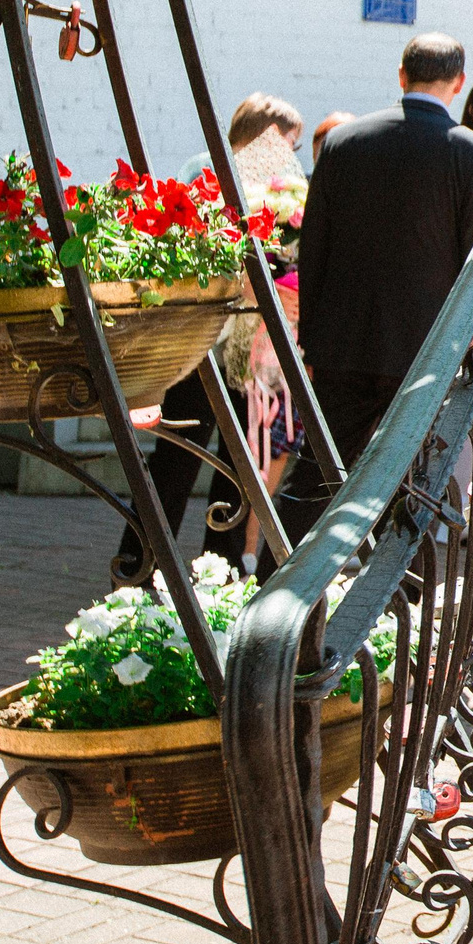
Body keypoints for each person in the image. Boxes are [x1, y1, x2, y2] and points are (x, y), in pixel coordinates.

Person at [276, 35, 473, 551]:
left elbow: (314, 250)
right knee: (414, 479)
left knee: (314, 473)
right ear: (459, 83)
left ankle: (270, 582)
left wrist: (311, 337)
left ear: (402, 74)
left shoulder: (342, 141)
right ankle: (401, 598)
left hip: (343, 341)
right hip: (427, 350)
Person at [112, 93, 305, 581]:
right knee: (178, 460)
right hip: (199, 344)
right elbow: (183, 252)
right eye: (287, 143)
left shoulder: (281, 188)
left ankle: (214, 574)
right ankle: (136, 566)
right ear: (259, 136)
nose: (291, 157)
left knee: (236, 466)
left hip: (248, 349)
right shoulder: (207, 175)